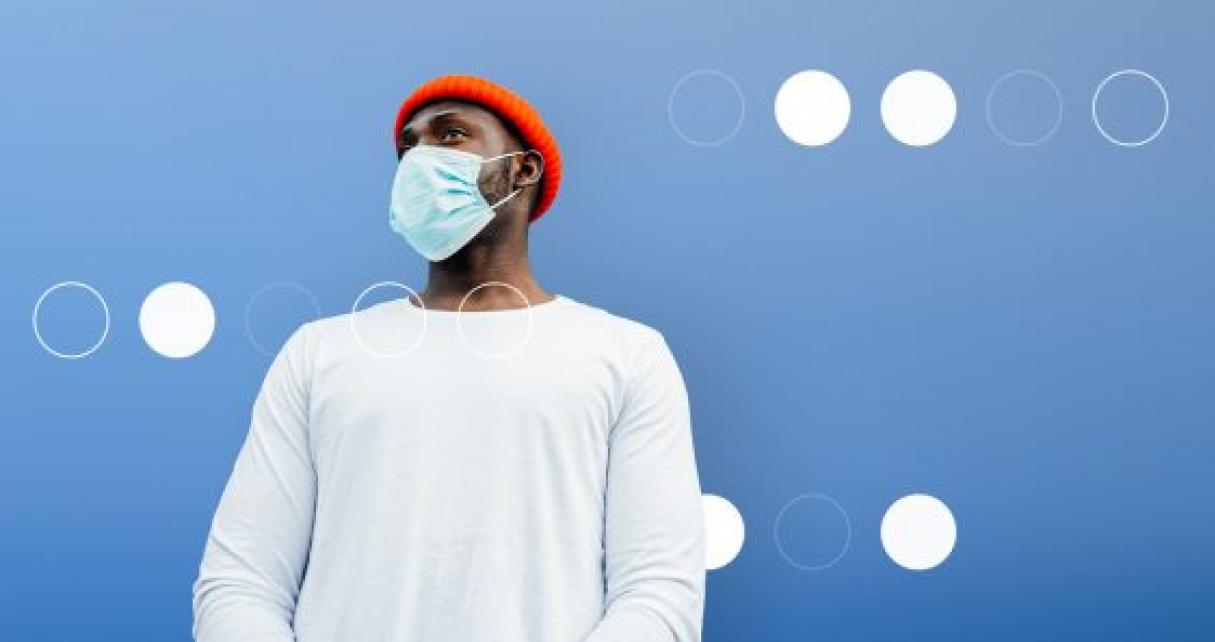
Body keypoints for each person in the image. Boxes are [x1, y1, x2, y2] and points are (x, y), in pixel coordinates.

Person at [191, 74, 706, 642]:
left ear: (523, 169)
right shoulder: (319, 353)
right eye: (408, 147)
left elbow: (658, 592)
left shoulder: (626, 355)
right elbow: (240, 583)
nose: (420, 159)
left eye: (451, 136)